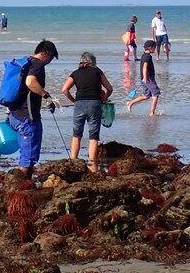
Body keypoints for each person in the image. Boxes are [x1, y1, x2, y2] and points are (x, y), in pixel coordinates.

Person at [7, 40, 59, 178]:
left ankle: (26, 185)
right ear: (47, 54)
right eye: (52, 58)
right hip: (27, 117)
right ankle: (19, 189)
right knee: (27, 159)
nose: (50, 61)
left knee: (27, 156)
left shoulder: (26, 62)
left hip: (15, 115)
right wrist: (46, 96)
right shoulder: (38, 65)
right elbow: (30, 82)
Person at [62, 52, 115, 173]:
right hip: (95, 104)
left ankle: (73, 161)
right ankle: (92, 164)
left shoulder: (75, 73)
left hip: (79, 104)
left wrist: (73, 100)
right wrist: (104, 99)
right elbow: (110, 88)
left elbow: (64, 89)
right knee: (93, 136)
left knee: (77, 134)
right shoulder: (97, 71)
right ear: (93, 62)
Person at [126, 40, 161, 115]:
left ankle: (130, 103)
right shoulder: (147, 57)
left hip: (146, 78)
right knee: (156, 94)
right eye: (154, 47)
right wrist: (145, 78)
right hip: (148, 79)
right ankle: (152, 113)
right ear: (150, 48)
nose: (155, 49)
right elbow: (144, 67)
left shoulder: (144, 55)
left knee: (146, 95)